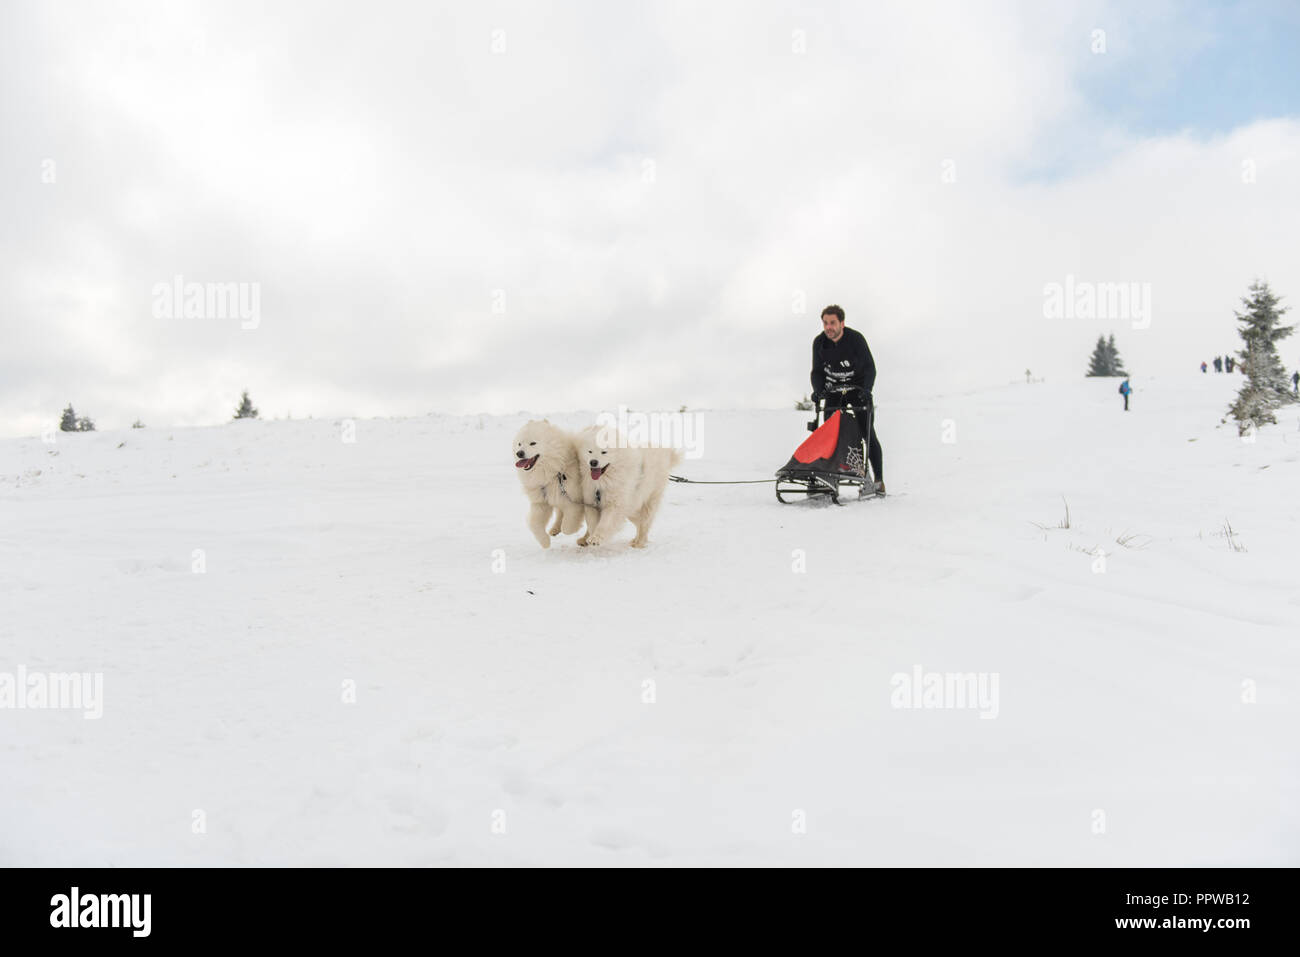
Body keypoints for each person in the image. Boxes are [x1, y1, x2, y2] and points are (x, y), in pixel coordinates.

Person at [811, 304, 885, 495]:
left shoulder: (855, 339)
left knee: (867, 433)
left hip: (857, 389)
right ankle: (829, 476)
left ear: (842, 323)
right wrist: (818, 391)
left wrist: (867, 390)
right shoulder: (819, 343)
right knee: (829, 433)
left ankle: (878, 481)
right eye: (825, 323)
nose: (829, 327)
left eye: (833, 323)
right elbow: (817, 372)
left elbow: (870, 368)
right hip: (835, 391)